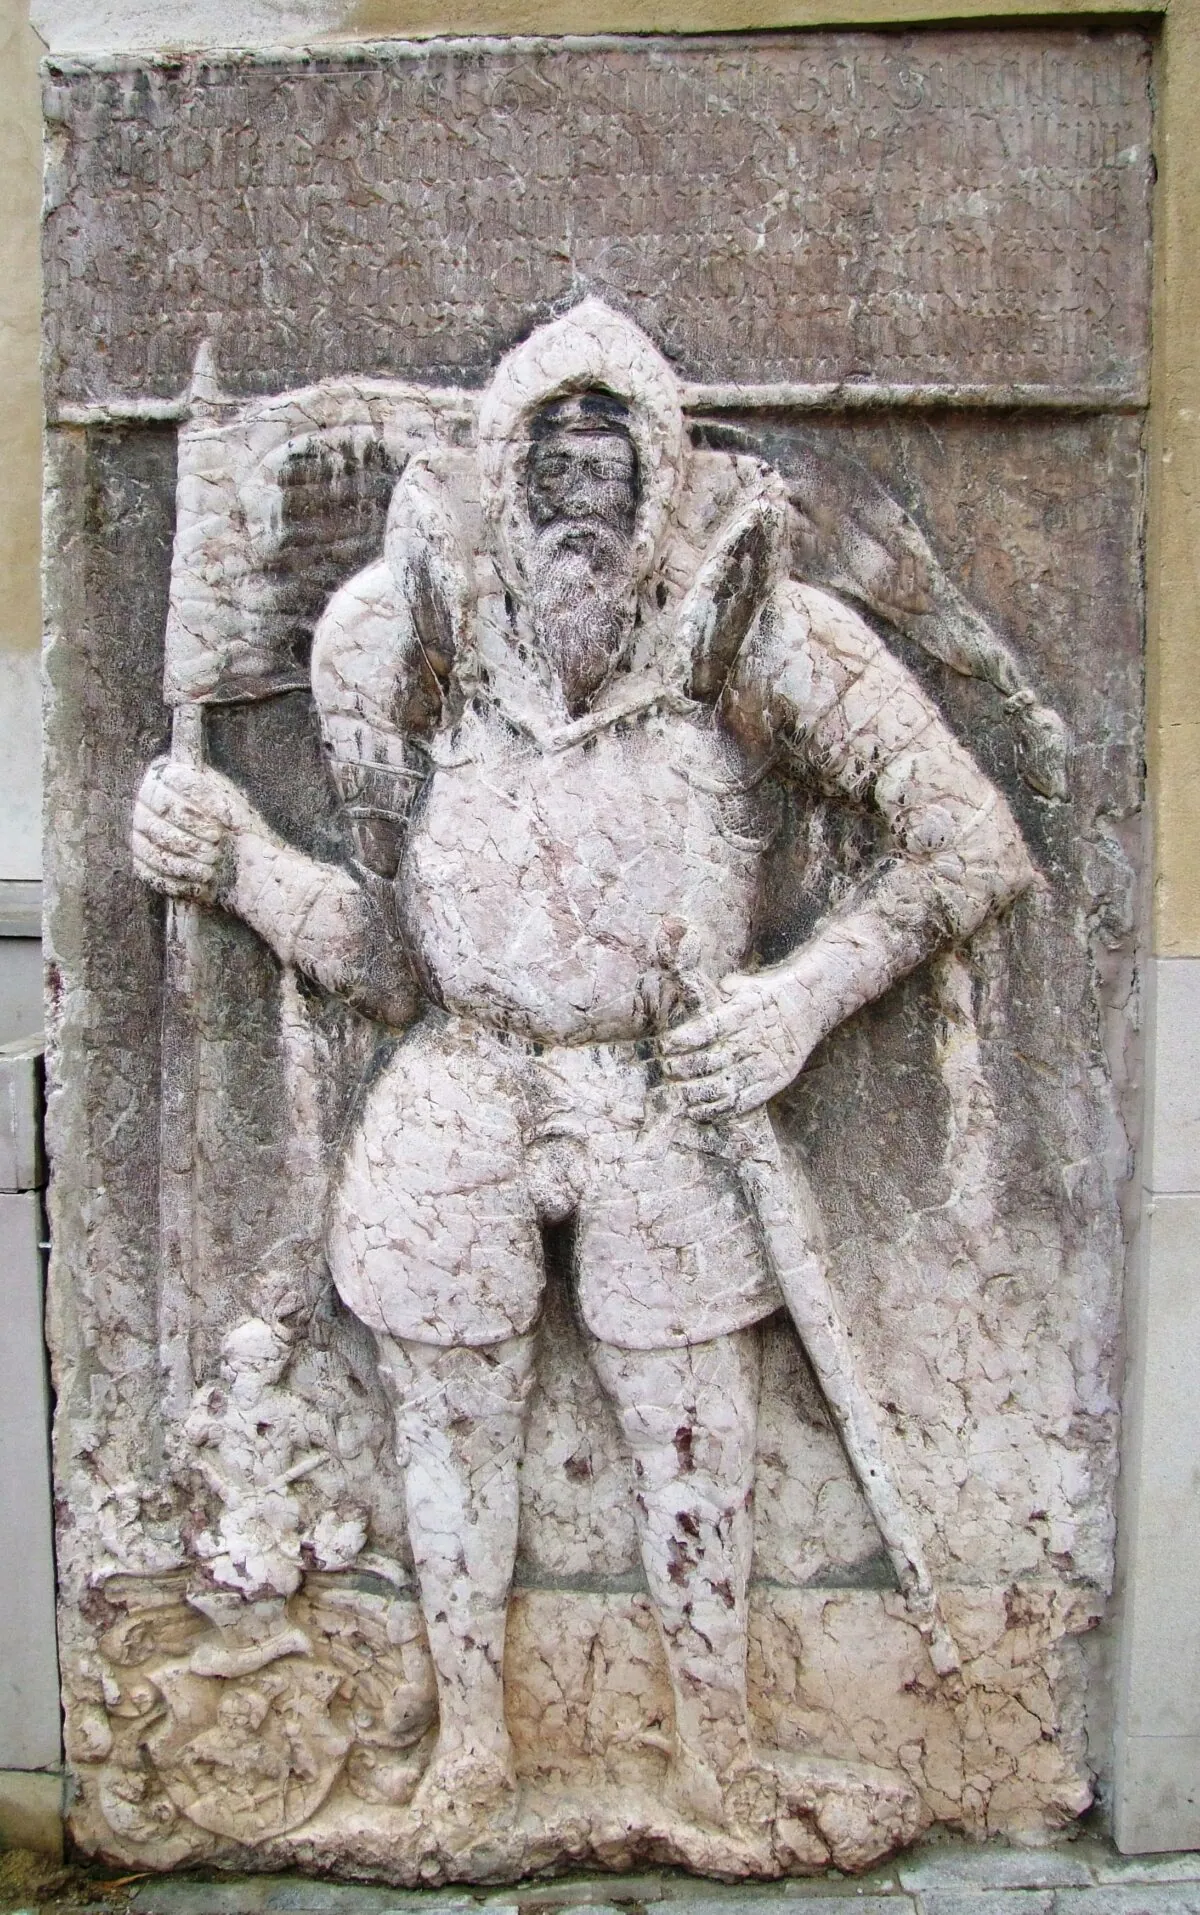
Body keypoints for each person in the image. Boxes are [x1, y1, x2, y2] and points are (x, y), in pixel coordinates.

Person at [133, 301, 1033, 1848]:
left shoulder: (760, 625)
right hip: (469, 1073)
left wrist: (802, 998)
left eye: (609, 477)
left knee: (696, 1432)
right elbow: (391, 960)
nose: (578, 511)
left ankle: (715, 1749)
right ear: (500, 475)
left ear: (661, 481)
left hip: (664, 1082)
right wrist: (243, 867)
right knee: (447, 1419)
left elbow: (973, 841)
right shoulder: (392, 637)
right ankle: (473, 1746)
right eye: (548, 475)